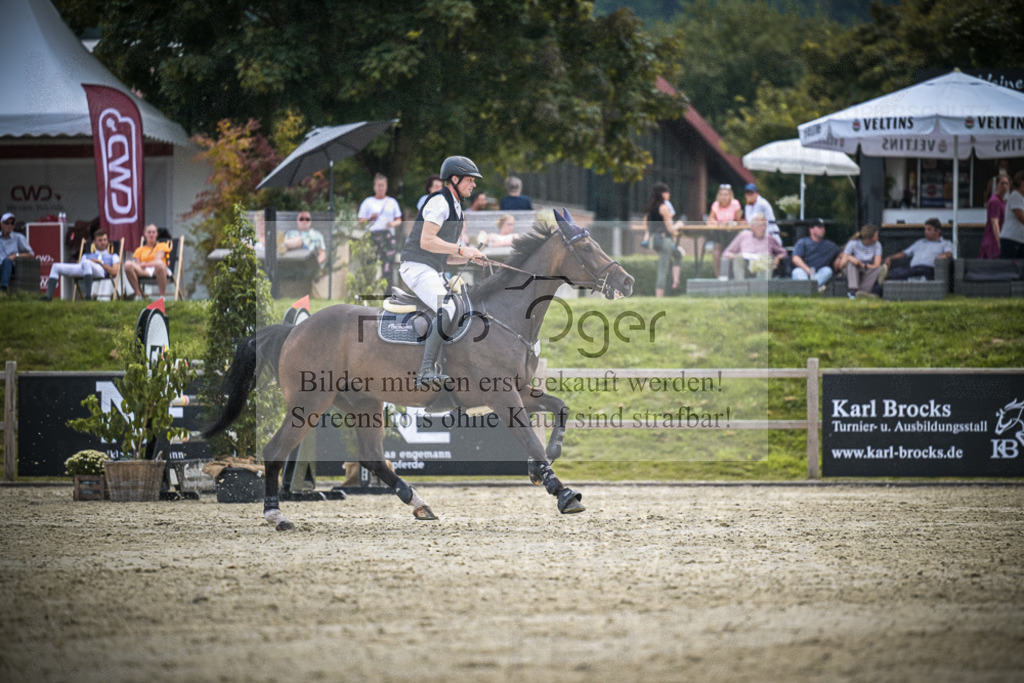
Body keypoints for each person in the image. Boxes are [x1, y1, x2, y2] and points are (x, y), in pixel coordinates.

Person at [399, 156, 486, 388]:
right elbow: (427, 241)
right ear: (454, 179)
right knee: (447, 308)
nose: (474, 185)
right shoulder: (439, 202)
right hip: (416, 266)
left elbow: (445, 254)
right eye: (470, 180)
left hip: (433, 269)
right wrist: (462, 248)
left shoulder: (457, 208)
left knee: (462, 307)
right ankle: (425, 371)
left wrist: (471, 256)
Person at [41, 228, 121, 301]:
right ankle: (47, 297)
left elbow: (114, 272)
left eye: (105, 240)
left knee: (86, 262)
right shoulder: (86, 255)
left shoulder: (113, 256)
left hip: (100, 272)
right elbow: (80, 267)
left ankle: (88, 297)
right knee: (55, 266)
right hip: (84, 269)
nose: (103, 242)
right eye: (100, 240)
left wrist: (100, 262)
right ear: (94, 242)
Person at [358, 175, 403, 287]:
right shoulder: (368, 202)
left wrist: (392, 224)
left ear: (386, 187)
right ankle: (368, 292)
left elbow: (399, 219)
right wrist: (370, 218)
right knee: (369, 264)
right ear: (374, 187)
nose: (381, 188)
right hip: (372, 235)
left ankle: (388, 294)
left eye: (383, 185)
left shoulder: (392, 202)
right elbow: (360, 221)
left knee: (388, 266)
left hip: (387, 236)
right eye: (379, 185)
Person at [643, 183, 682, 297]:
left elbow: (647, 226)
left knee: (677, 255)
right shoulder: (664, 207)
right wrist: (678, 225)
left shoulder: (650, 208)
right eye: (667, 192)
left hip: (655, 240)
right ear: (662, 194)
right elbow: (670, 228)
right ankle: (659, 295)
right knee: (663, 268)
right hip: (665, 240)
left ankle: (676, 282)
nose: (669, 194)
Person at [721, 212, 786, 280]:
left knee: (767, 259)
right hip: (746, 266)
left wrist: (777, 258)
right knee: (738, 258)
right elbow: (726, 252)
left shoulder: (769, 238)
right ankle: (741, 286)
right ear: (752, 227)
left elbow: (783, 252)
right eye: (761, 225)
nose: (764, 228)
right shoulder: (743, 235)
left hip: (763, 267)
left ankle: (762, 287)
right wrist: (734, 256)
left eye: (765, 225)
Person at [884, 218, 952, 281]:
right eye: (925, 229)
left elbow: (949, 253)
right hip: (913, 269)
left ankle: (889, 276)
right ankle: (887, 277)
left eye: (929, 229)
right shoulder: (920, 242)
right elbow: (904, 253)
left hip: (929, 270)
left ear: (938, 231)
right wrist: (890, 258)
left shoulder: (945, 243)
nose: (926, 232)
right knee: (900, 271)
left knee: (907, 272)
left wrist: (945, 255)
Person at [790, 218, 842, 291]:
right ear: (811, 230)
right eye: (820, 227)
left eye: (823, 227)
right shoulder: (803, 242)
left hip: (819, 274)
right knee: (796, 271)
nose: (823, 230)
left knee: (828, 270)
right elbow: (795, 258)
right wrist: (808, 270)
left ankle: (809, 290)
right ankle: (814, 289)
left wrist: (839, 258)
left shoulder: (829, 245)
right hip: (804, 272)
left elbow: (842, 253)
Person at [124, 223, 171, 299]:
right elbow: (138, 264)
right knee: (127, 264)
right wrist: (142, 266)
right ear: (145, 234)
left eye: (153, 232)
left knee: (160, 264)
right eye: (149, 232)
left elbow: (158, 260)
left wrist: (145, 264)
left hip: (158, 270)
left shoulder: (162, 245)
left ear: (157, 234)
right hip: (145, 271)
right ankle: (138, 295)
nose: (151, 234)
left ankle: (162, 296)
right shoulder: (139, 250)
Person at [707, 183, 743, 277]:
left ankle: (733, 273)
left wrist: (729, 223)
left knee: (732, 249)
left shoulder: (735, 204)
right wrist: (718, 223)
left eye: (726, 194)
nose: (724, 197)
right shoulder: (715, 205)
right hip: (719, 231)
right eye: (721, 194)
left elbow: (738, 220)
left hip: (732, 232)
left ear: (730, 195)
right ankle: (718, 274)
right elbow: (710, 219)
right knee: (716, 249)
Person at [842, 224, 884, 299]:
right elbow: (841, 265)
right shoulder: (853, 243)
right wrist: (850, 258)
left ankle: (861, 293)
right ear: (869, 238)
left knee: (879, 269)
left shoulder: (877, 245)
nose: (878, 238)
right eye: (876, 236)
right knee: (851, 264)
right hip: (853, 269)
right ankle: (853, 291)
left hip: (867, 267)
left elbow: (877, 264)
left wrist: (863, 265)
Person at [0, 212, 34, 293]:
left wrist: (16, 255)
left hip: (11, 267)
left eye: (12, 223)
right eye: (7, 223)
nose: (9, 226)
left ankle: (3, 290)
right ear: (1, 224)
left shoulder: (18, 237)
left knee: (7, 261)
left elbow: (31, 254)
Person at [980, 173, 1010, 259]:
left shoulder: (1004, 201)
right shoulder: (995, 201)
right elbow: (994, 223)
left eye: (1006, 183)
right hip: (992, 241)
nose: (1004, 186)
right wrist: (999, 242)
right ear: (997, 185)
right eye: (1002, 183)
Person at [999, 171, 1024, 260]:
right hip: (1011, 239)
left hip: (1020, 239)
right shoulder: (1015, 196)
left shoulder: (1022, 198)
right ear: (1022, 182)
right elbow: (1020, 216)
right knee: (1007, 268)